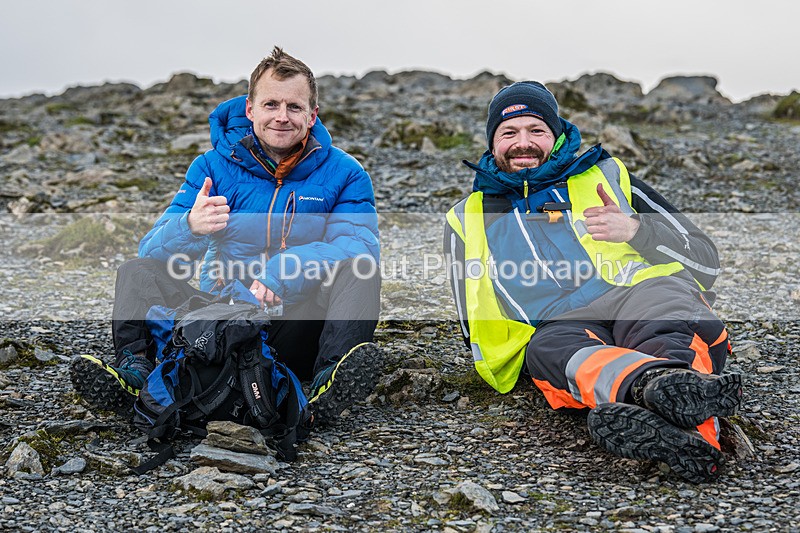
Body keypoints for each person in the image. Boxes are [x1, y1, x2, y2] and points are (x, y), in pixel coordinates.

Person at [444, 81, 743, 483]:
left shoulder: (608, 175)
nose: (523, 143)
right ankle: (655, 392)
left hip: (640, 294)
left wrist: (636, 231)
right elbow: (469, 315)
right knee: (550, 351)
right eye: (509, 133)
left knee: (668, 323)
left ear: (556, 134)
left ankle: (691, 432)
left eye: (536, 130)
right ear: (492, 143)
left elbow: (704, 259)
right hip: (559, 325)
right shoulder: (467, 216)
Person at [71, 47, 383, 426]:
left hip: (292, 324)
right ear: (250, 109)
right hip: (215, 324)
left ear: (312, 114)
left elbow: (358, 245)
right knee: (137, 271)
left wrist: (284, 271)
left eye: (294, 107)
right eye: (271, 104)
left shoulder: (345, 172)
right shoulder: (211, 166)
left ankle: (327, 384)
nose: (282, 117)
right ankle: (135, 375)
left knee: (361, 271)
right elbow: (151, 249)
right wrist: (190, 227)